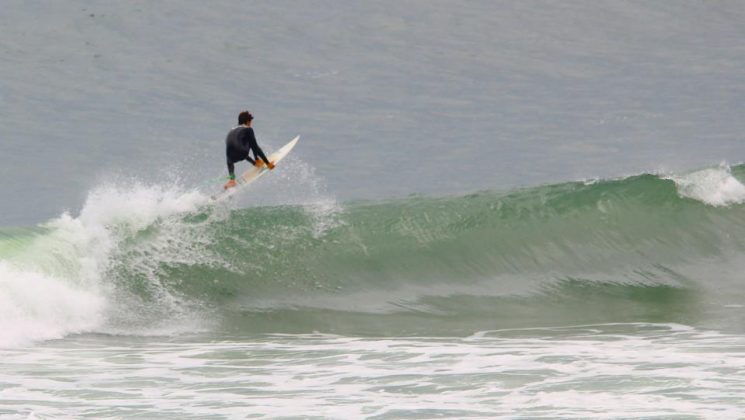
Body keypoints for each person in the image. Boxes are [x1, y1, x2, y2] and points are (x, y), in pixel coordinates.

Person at [223, 111, 275, 189]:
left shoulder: (232, 130)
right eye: (251, 121)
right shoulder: (248, 129)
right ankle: (257, 161)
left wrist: (252, 162)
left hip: (230, 157)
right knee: (251, 141)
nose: (251, 123)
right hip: (241, 152)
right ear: (247, 121)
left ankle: (232, 180)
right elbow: (255, 147)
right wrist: (267, 163)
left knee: (230, 155)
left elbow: (237, 149)